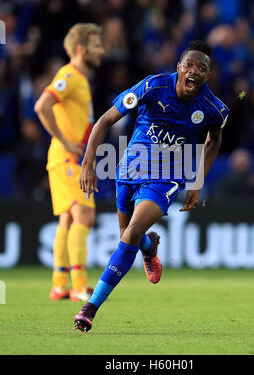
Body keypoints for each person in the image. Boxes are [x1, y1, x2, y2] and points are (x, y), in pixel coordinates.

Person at [74, 40, 229, 332]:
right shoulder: (152, 86)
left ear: (208, 75)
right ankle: (150, 246)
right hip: (130, 168)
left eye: (202, 68)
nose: (195, 71)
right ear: (179, 68)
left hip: (167, 177)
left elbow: (215, 138)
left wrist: (197, 180)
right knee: (128, 237)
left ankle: (90, 308)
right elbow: (105, 120)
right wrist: (87, 163)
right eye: (190, 65)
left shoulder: (213, 109)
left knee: (131, 232)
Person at [34, 23, 105, 302]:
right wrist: (65, 141)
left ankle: (60, 284)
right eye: (97, 45)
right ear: (81, 49)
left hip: (64, 157)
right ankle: (79, 285)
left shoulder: (81, 79)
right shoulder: (69, 75)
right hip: (67, 157)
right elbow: (42, 106)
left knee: (67, 219)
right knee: (84, 216)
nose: (102, 50)